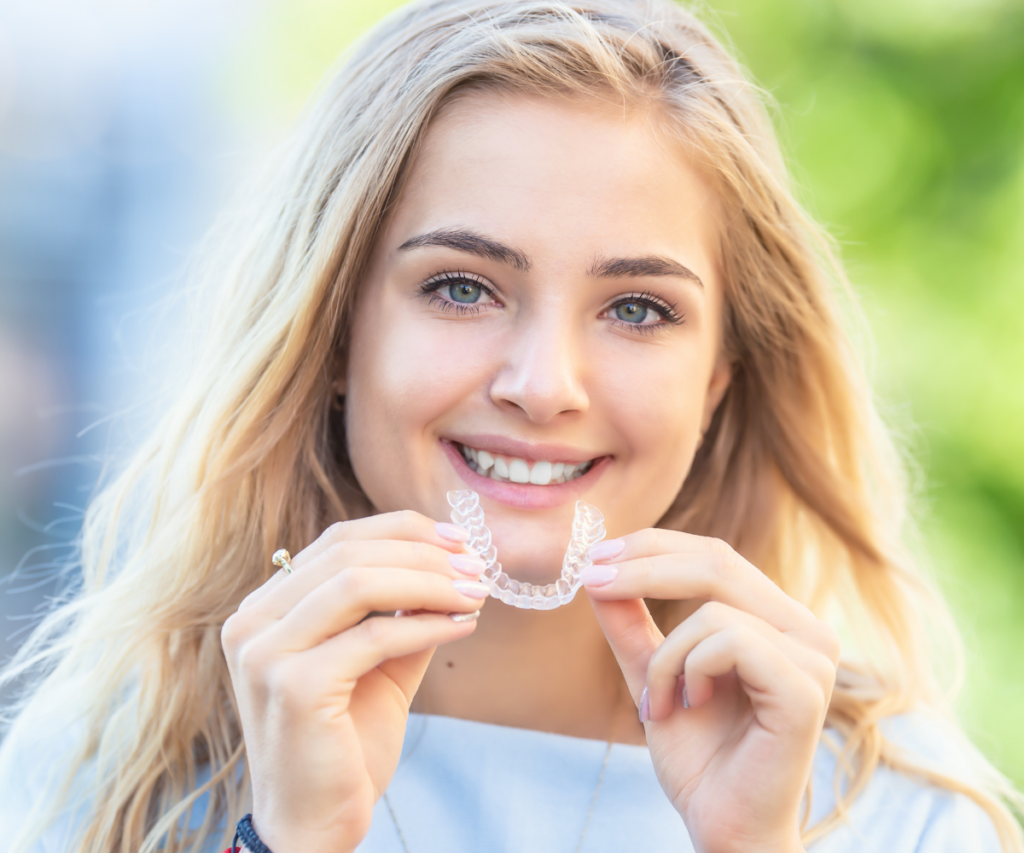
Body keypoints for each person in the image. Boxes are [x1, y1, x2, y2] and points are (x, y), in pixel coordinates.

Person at [1, 0, 1021, 851]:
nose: (543, 385)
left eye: (636, 308)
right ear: (334, 335)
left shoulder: (907, 815)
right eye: (459, 288)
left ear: (718, 377)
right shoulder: (100, 777)